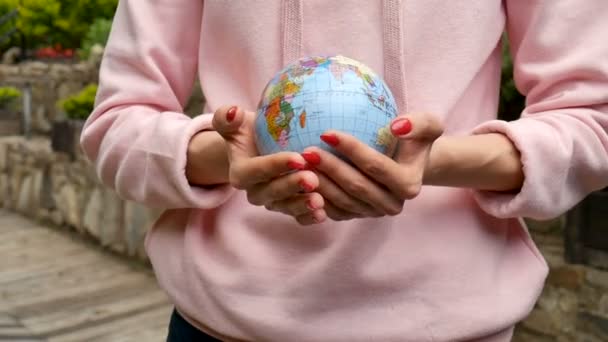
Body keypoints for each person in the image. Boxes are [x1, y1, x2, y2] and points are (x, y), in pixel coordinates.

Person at [81, 1, 608, 341]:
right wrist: (233, 159)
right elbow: (117, 124)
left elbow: (592, 121)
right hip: (223, 326)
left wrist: (437, 161)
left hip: (451, 327)